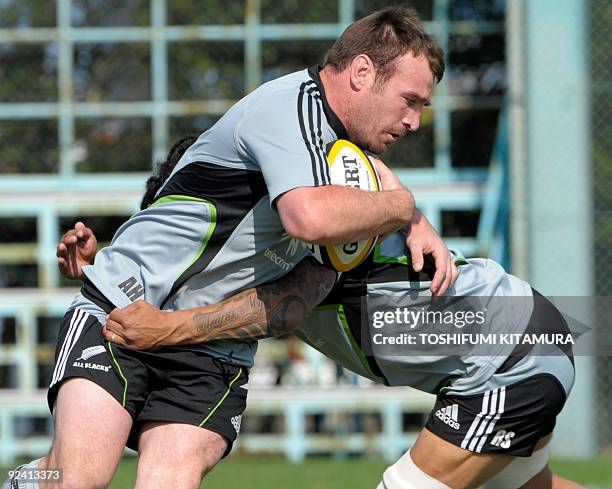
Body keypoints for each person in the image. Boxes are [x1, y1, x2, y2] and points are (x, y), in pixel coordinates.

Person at [4, 7, 458, 489]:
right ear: (362, 72)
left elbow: (298, 294)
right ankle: (29, 480)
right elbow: (308, 218)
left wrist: (414, 220)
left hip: (212, 350)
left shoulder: (349, 154)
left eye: (422, 108)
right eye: (409, 101)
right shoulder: (287, 108)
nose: (413, 122)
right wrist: (404, 207)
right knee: (76, 480)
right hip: (124, 308)